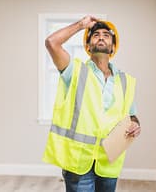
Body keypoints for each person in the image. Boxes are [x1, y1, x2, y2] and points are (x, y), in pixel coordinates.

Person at [42, 15, 141, 192]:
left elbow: (132, 115)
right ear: (88, 46)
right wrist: (81, 25)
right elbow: (51, 42)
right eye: (95, 35)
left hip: (109, 162)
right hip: (79, 163)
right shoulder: (76, 71)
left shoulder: (126, 81)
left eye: (106, 35)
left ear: (113, 47)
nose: (101, 37)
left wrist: (135, 124)